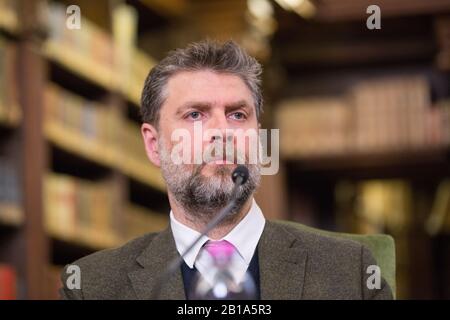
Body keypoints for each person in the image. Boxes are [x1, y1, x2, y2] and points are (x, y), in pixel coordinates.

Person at [60, 40, 393, 300]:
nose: (222, 131)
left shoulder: (351, 273)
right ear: (153, 145)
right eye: (195, 114)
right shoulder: (91, 286)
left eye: (237, 114)